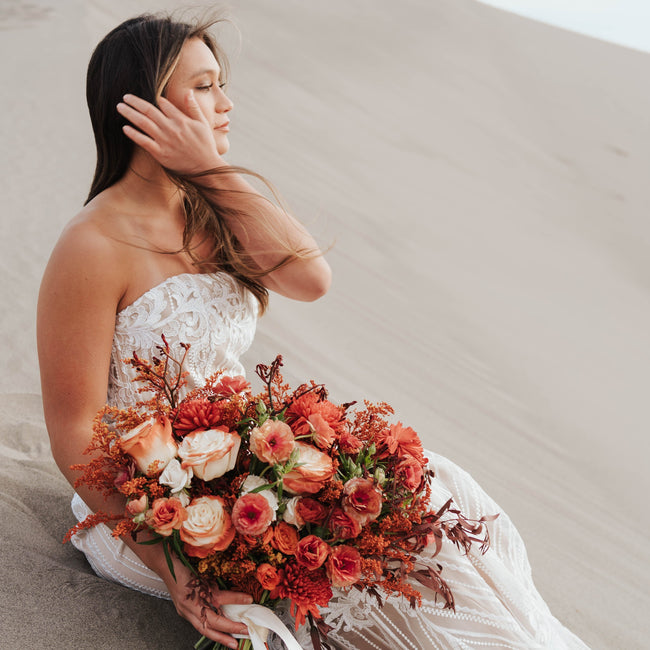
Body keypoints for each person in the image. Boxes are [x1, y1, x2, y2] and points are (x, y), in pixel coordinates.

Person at [37, 13, 589, 650]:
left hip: (251, 471)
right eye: (205, 87)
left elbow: (310, 278)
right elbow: (75, 431)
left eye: (223, 84)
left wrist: (211, 173)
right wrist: (176, 567)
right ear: (146, 106)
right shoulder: (91, 244)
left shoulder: (212, 212)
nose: (227, 103)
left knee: (431, 493)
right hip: (150, 514)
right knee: (347, 583)